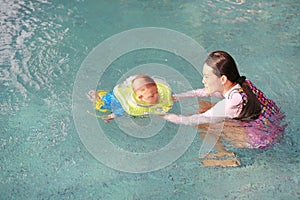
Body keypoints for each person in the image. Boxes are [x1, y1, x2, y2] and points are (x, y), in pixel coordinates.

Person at [163, 51, 286, 167]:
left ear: (222, 79)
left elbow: (195, 120)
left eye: (206, 77)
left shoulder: (232, 103)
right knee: (203, 106)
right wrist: (176, 97)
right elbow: (204, 92)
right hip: (272, 126)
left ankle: (226, 157)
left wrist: (164, 116)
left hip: (260, 140)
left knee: (203, 124)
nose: (203, 80)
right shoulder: (241, 84)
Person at [88, 74, 173, 122]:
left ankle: (97, 96)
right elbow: (117, 113)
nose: (157, 95)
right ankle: (96, 98)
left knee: (105, 97)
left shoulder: (136, 91)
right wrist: (108, 118)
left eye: (156, 92)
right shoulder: (128, 106)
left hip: (114, 95)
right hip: (112, 103)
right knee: (101, 104)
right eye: (152, 95)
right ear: (140, 98)